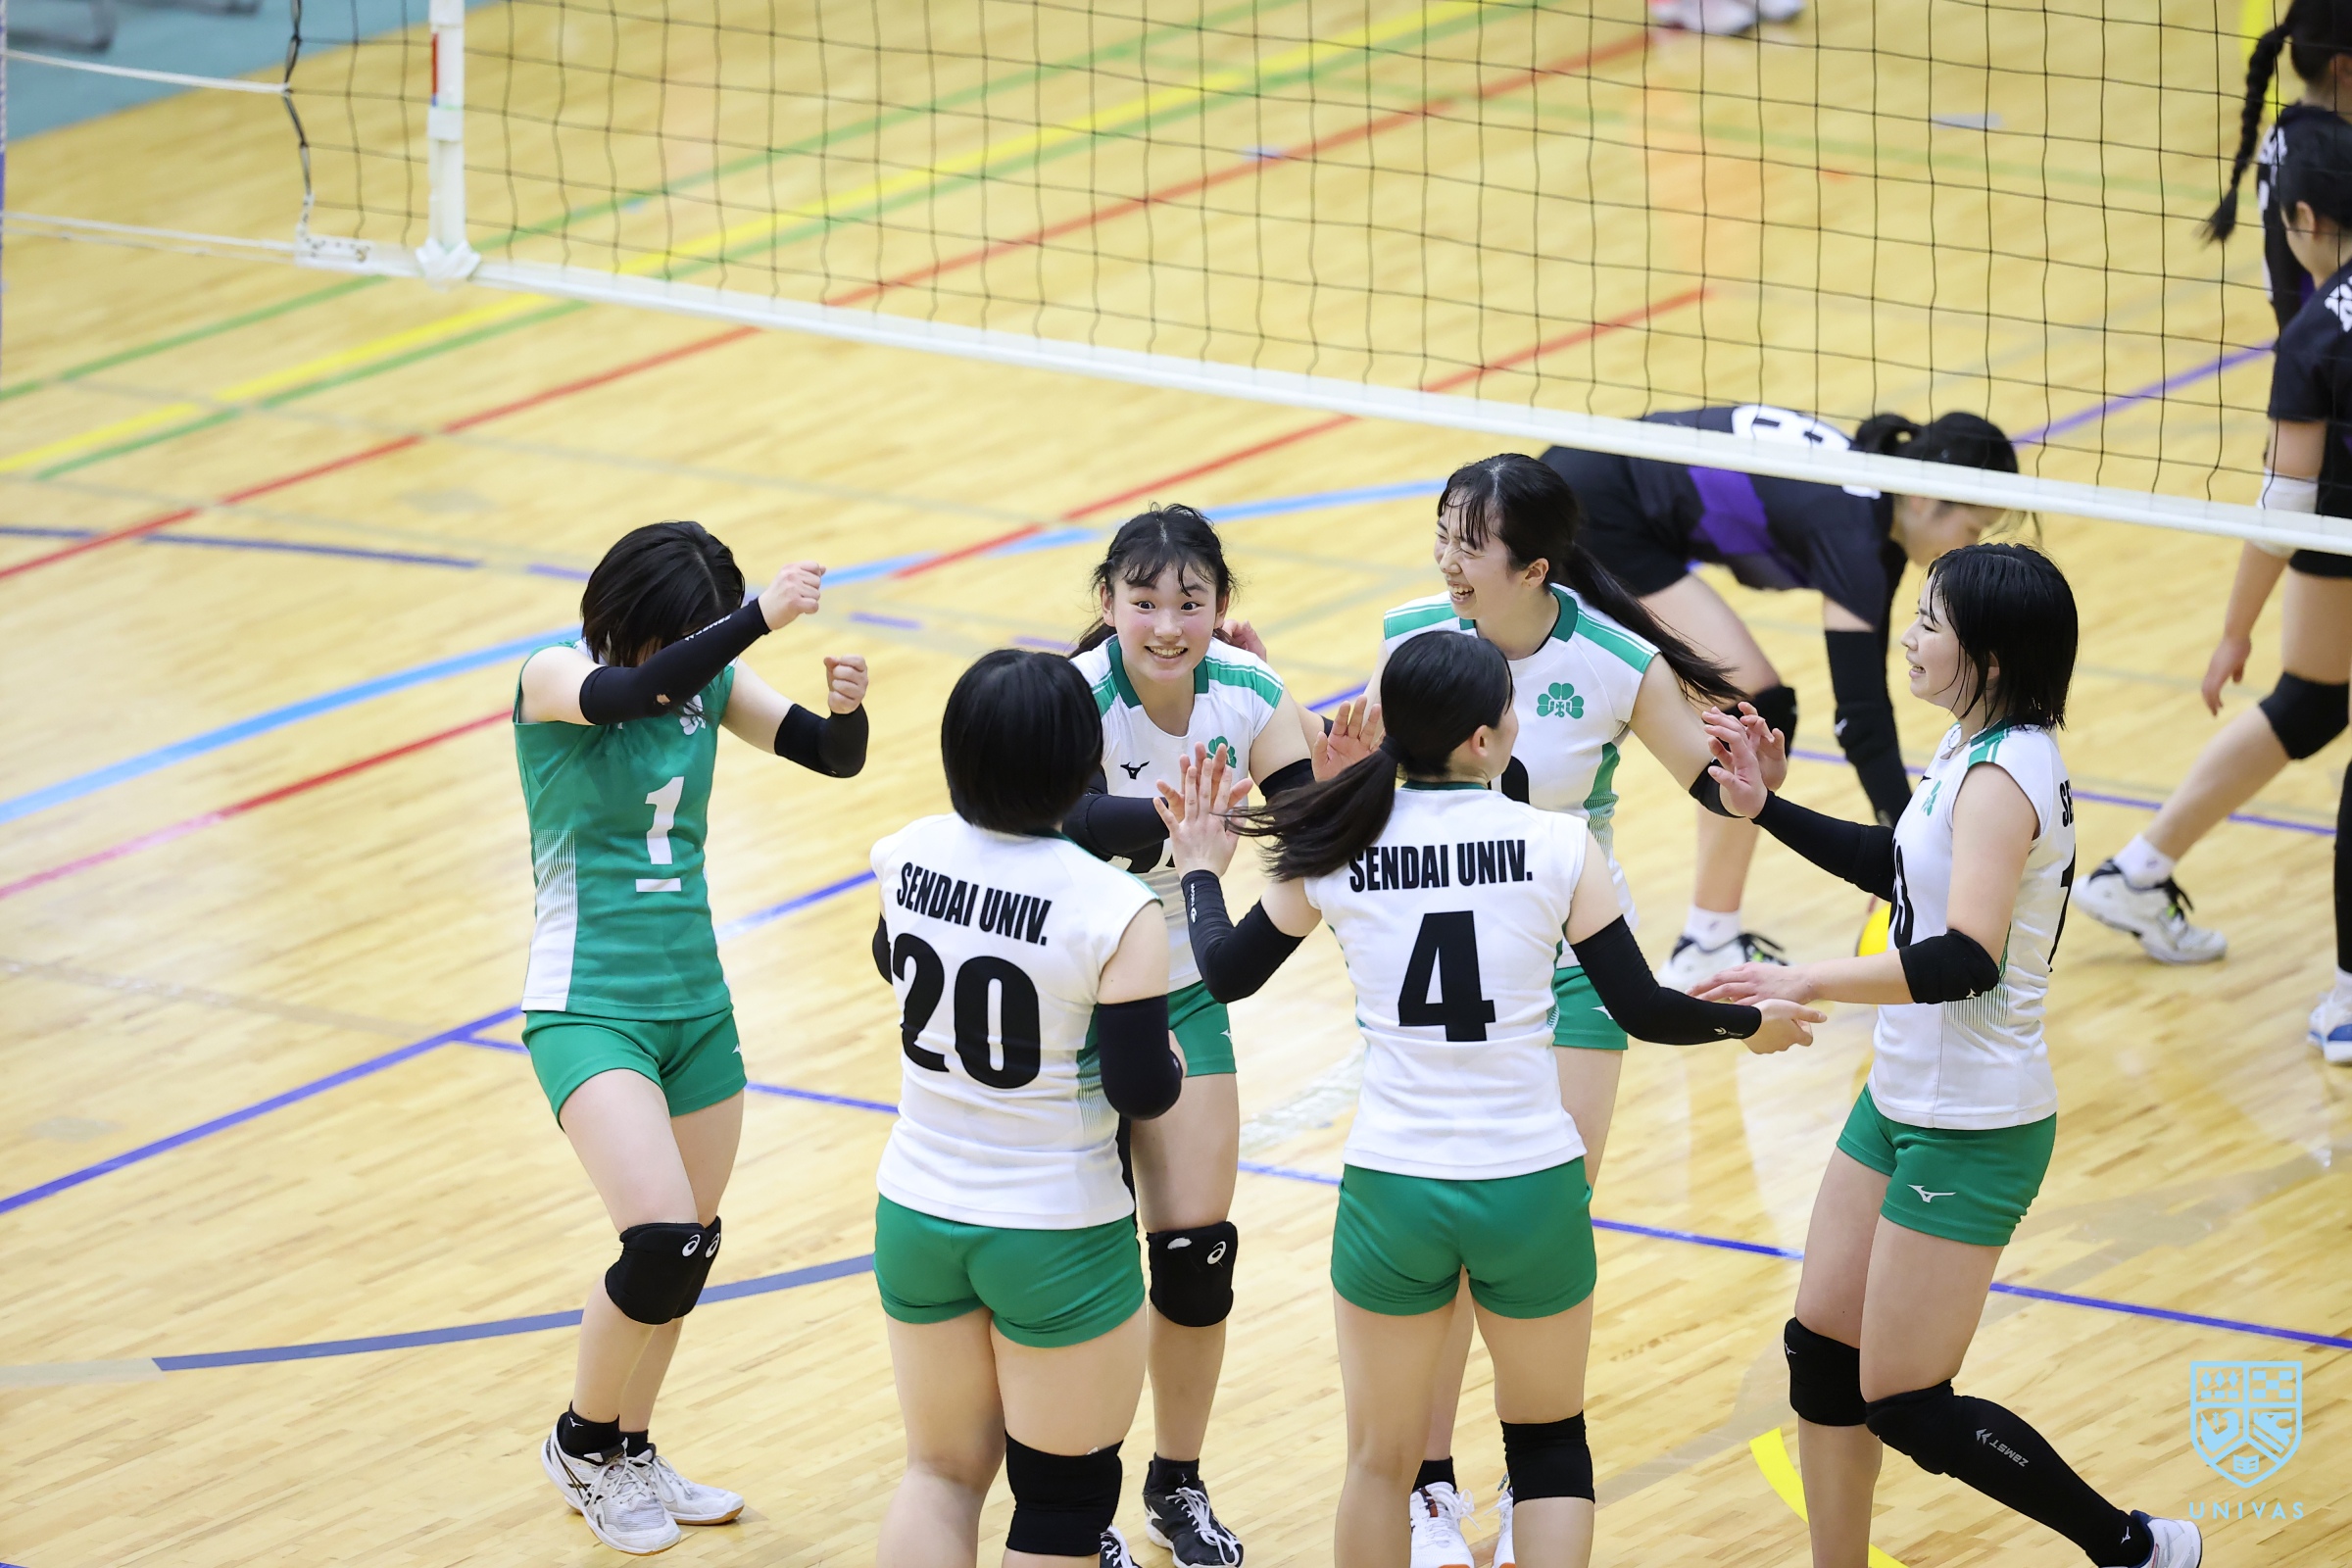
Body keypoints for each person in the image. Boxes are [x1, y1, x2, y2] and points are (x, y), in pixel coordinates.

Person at [1154, 630, 1820, 1568]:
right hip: (1529, 1185)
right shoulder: (1558, 845)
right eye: (1509, 712)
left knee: (1378, 1464)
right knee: (1550, 1449)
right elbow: (1642, 1008)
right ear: (1481, 739)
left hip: (1394, 1188)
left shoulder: (1339, 847)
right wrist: (1752, 1025)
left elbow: (1224, 973)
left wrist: (1197, 869)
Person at [1695, 543, 2200, 1568]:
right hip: (1900, 1098)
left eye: (1931, 623)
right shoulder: (1973, 745)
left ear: (1995, 659)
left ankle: (2134, 1548)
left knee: (1908, 1403)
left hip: (1974, 1124)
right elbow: (1900, 865)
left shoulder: (2005, 777)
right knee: (1822, 1355)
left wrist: (1811, 978)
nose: (1910, 637)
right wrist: (1765, 809)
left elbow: (1966, 958)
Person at [1375, 452, 1776, 1566]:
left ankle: (1534, 1487)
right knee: (1442, 1246)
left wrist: (1756, 786)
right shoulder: (1411, 635)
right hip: (1453, 965)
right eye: (1443, 533)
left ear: (1535, 569)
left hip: (1574, 964)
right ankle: (1429, 1488)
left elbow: (1715, 788)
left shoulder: (1613, 659)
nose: (1449, 559)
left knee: (1535, 1229)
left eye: (1471, 542)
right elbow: (1379, 787)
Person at [516, 519, 869, 1554]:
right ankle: (581, 1445)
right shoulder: (552, 674)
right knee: (660, 1238)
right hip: (589, 1006)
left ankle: (631, 1447)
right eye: (683, 632)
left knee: (690, 1252)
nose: (691, 654)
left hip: (698, 1007)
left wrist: (848, 710)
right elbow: (629, 693)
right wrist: (757, 618)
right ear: (631, 613)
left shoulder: (707, 683)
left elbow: (830, 757)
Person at [1057, 505, 1374, 1564]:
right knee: (1088, 1260)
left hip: (1185, 984)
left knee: (1195, 1254)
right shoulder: (1074, 697)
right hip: (1074, 994)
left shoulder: (1248, 693)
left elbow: (1306, 833)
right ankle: (1077, 1504)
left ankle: (1175, 1484)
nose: (1166, 625)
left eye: (1190, 602)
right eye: (1143, 601)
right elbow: (1066, 822)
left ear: (1220, 605)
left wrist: (1345, 779)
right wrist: (1185, 825)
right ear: (1108, 603)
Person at [869, 650, 1187, 1568]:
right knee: (1060, 1506)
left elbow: (892, 963)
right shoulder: (1116, 906)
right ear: (1083, 763)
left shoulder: (904, 851)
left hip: (917, 1208)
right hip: (1055, 1228)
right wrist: (1167, 1055)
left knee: (938, 1474)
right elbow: (1142, 1091)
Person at [1539, 405, 2021, 990]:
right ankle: (1705, 939)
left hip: (1598, 479)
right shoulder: (1854, 532)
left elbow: (1863, 710)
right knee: (1751, 711)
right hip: (1595, 507)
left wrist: (1904, 839)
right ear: (1923, 499)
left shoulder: (1874, 514)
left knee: (1746, 710)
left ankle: (1707, 936)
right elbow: (1861, 719)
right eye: (1972, 528)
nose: (1971, 544)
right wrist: (1909, 849)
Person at [2079, 115, 2352, 1063]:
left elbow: (2283, 507)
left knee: (2312, 701)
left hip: (2333, 516)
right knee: (2314, 702)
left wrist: (2234, 630)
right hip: (2341, 521)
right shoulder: (2315, 335)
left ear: (2304, 218)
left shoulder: (2314, 335)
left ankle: (2140, 870)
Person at [2203, 0, 2352, 330]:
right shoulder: (2324, 156)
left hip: (2307, 335)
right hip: (2330, 339)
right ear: (2343, 68)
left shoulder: (2287, 133)